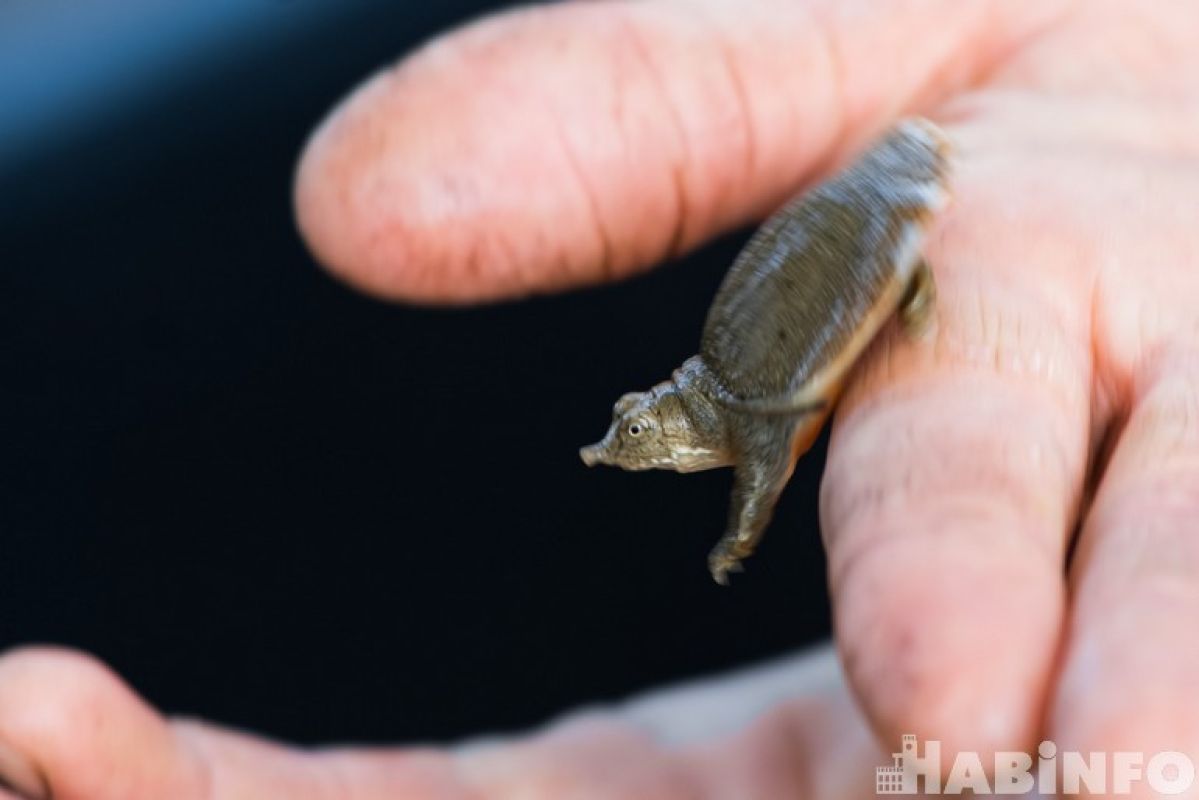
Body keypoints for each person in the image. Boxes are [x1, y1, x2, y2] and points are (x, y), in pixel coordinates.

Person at [3, 0, 1198, 796]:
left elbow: (770, 457)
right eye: (635, 435)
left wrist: (743, 524)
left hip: (865, 249)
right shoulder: (727, 396)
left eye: (639, 435)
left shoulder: (750, 408)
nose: (628, 445)